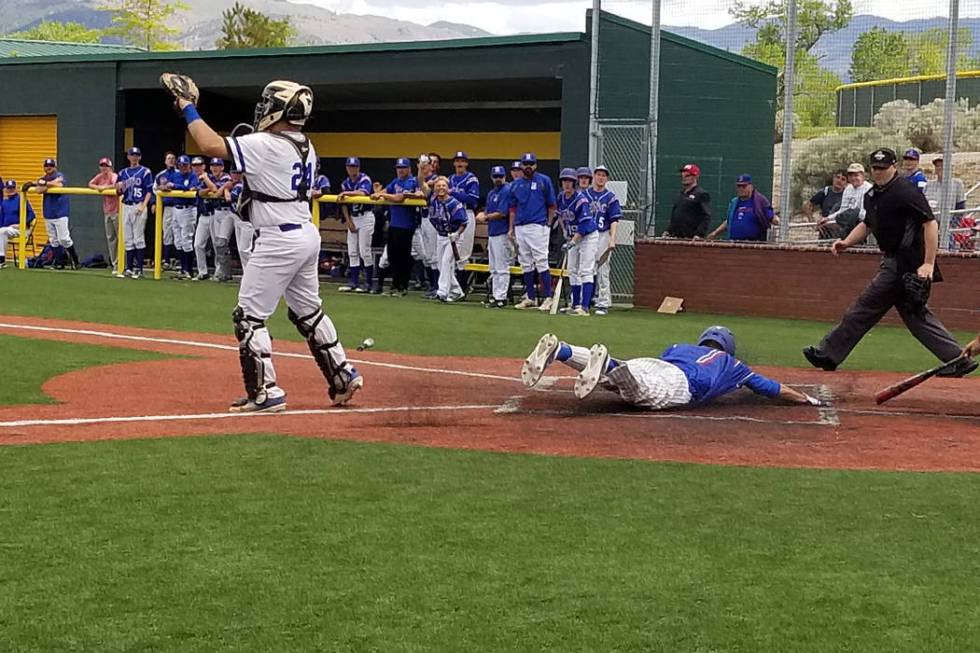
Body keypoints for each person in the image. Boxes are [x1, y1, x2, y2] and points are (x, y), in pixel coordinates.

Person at [172, 78, 362, 411]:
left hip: (278, 238)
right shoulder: (305, 143)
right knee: (308, 311)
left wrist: (188, 107)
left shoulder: (266, 143)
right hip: (304, 233)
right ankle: (342, 374)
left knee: (249, 317)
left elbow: (210, 145)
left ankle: (265, 391)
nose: (262, 109)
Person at [803, 148, 977, 378]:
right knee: (916, 316)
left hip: (906, 263)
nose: (878, 172)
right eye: (875, 168)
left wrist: (928, 263)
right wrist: (846, 242)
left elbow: (930, 224)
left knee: (863, 308)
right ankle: (958, 360)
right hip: (894, 260)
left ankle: (828, 354)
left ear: (893, 167)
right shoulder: (873, 195)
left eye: (883, 168)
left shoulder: (905, 191)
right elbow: (867, 224)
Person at [522, 327, 828, 409]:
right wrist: (806, 398)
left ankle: (563, 350)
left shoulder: (682, 346)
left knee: (624, 379)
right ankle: (608, 363)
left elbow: (662, 361)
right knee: (640, 394)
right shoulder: (734, 364)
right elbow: (772, 389)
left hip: (659, 363)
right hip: (684, 384)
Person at [509, 152, 557, 311]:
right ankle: (530, 297)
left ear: (535, 165)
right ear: (521, 165)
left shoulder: (544, 180)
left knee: (541, 260)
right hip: (520, 226)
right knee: (525, 263)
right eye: (525, 164)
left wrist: (548, 224)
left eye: (531, 164)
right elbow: (513, 208)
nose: (528, 166)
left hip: (538, 225)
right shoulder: (516, 184)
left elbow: (551, 204)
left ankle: (548, 297)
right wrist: (512, 228)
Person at [371, 158, 420, 296]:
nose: (400, 170)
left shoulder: (412, 181)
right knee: (392, 256)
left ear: (409, 169)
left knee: (402, 257)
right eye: (398, 168)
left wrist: (381, 194)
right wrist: (379, 192)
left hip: (406, 225)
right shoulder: (396, 181)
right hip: (394, 224)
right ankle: (394, 285)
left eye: (403, 167)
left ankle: (402, 287)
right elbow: (386, 190)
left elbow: (399, 198)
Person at [555, 167, 599, 316]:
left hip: (588, 236)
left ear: (574, 183)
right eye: (564, 181)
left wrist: (572, 241)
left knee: (585, 270)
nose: (567, 184)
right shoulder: (560, 197)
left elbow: (584, 226)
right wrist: (567, 234)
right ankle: (575, 305)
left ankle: (585, 308)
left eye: (570, 181)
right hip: (573, 236)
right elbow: (561, 217)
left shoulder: (581, 199)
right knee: (572, 270)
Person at [586, 164, 623, 315]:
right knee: (587, 268)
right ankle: (585, 300)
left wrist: (612, 239)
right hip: (587, 236)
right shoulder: (584, 195)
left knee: (602, 268)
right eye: (598, 174)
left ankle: (603, 302)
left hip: (603, 234)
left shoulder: (610, 197)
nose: (601, 178)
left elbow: (614, 220)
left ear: (607, 179)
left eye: (604, 175)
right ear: (594, 176)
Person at [114, 147, 154, 279]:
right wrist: (118, 188)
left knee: (138, 238)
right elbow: (119, 191)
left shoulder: (145, 171)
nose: (134, 157)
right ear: (128, 157)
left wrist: (144, 204)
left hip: (138, 204)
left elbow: (149, 190)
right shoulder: (123, 172)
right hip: (126, 204)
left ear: (140, 157)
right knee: (128, 238)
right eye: (132, 155)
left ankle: (139, 269)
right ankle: (129, 268)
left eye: (137, 155)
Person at [476, 165, 514, 308]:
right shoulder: (492, 193)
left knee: (502, 267)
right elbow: (489, 210)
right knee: (493, 267)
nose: (498, 179)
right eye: (495, 177)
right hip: (493, 233)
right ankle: (495, 295)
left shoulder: (506, 190)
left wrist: (485, 217)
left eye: (500, 177)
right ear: (492, 177)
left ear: (505, 177)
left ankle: (501, 297)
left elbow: (502, 213)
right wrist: (484, 214)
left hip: (502, 232)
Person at [427, 176, 468, 302]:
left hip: (454, 237)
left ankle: (442, 292)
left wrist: (457, 234)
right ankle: (456, 291)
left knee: (446, 262)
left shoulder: (454, 203)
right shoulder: (434, 201)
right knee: (441, 265)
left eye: (443, 186)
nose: (441, 188)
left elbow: (464, 222)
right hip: (441, 235)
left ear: (448, 188)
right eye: (438, 186)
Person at [160, 154, 200, 280]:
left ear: (189, 166)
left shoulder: (192, 175)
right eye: (181, 165)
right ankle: (182, 269)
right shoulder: (176, 174)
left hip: (188, 209)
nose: (183, 167)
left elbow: (191, 188)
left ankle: (188, 270)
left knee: (186, 240)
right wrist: (165, 186)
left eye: (185, 165)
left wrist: (176, 186)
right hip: (176, 208)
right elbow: (164, 183)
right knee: (178, 241)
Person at [336, 156, 373, 292]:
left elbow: (363, 193)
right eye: (350, 167)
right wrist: (348, 221)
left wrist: (346, 193)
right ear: (347, 168)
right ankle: (353, 281)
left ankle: (368, 283)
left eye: (354, 167)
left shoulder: (364, 178)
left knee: (364, 251)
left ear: (358, 167)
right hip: (353, 217)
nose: (352, 169)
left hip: (366, 216)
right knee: (352, 251)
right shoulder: (345, 182)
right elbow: (344, 205)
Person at [35, 158, 79, 269]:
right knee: (53, 240)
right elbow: (38, 190)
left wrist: (45, 184)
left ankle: (76, 261)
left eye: (51, 166)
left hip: (60, 212)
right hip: (48, 212)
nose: (48, 168)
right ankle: (59, 262)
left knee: (64, 238)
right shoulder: (44, 178)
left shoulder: (59, 175)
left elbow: (60, 186)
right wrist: (50, 184)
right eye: (46, 166)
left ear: (54, 167)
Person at [707, 174, 777, 242]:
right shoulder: (734, 203)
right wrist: (715, 233)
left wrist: (779, 222)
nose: (741, 189)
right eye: (739, 186)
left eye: (744, 186)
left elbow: (771, 217)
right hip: (734, 243)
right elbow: (729, 221)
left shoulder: (760, 201)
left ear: (751, 187)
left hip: (753, 245)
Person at [448, 151, 479, 292]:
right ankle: (451, 286)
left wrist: (452, 193)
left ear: (466, 163)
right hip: (452, 215)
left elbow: (472, 199)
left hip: (466, 213)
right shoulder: (450, 179)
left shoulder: (471, 179)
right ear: (454, 163)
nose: (459, 163)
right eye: (457, 160)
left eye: (462, 160)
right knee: (451, 250)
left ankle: (463, 286)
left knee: (464, 253)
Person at [924, 155, 970, 250]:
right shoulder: (929, 185)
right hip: (931, 222)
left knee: (947, 248)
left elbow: (961, 206)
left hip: (948, 224)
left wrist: (953, 225)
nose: (939, 168)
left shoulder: (957, 184)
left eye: (942, 166)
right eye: (937, 166)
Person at [820, 163, 871, 240]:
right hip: (847, 220)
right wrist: (828, 218)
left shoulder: (868, 189)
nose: (853, 178)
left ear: (863, 176)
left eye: (856, 175)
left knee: (854, 213)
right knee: (825, 225)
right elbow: (842, 209)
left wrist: (845, 218)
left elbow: (863, 213)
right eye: (851, 175)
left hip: (862, 223)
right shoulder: (848, 189)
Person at [88, 157, 120, 272]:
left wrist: (103, 188)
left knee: (120, 238)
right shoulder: (100, 177)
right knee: (111, 238)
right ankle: (115, 263)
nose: (104, 168)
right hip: (107, 211)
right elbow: (90, 184)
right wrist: (98, 187)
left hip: (118, 211)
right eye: (102, 166)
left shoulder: (113, 176)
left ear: (110, 167)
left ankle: (124, 263)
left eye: (106, 166)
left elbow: (116, 185)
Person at [190, 156, 219, 280]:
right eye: (195, 166)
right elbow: (193, 190)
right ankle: (203, 271)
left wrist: (203, 189)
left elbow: (214, 189)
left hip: (214, 213)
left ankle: (219, 272)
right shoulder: (193, 178)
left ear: (203, 166)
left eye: (199, 165)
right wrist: (201, 191)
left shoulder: (210, 176)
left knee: (217, 245)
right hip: (203, 214)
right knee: (198, 244)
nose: (197, 168)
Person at [664, 163, 711, 239]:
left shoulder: (701, 194)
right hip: (677, 237)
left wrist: (699, 234)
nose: (684, 178)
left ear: (695, 177)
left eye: (687, 176)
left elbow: (706, 216)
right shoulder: (681, 194)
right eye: (682, 176)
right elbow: (675, 216)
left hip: (691, 237)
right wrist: (668, 231)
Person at [207, 158, 235, 282]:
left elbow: (218, 190)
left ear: (222, 167)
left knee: (222, 243)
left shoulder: (226, 178)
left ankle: (225, 272)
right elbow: (201, 191)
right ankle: (220, 271)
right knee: (216, 244)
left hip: (227, 212)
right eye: (213, 165)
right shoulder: (210, 178)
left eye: (218, 165)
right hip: (216, 212)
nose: (215, 168)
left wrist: (220, 189)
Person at [0, 179, 36, 269]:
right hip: (8, 230)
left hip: (22, 229)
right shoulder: (4, 203)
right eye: (8, 188)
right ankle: (2, 259)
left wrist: (21, 224)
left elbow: (32, 215)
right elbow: (2, 219)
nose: (10, 190)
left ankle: (1, 259)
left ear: (16, 189)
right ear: (6, 189)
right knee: (2, 231)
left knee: (2, 231)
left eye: (12, 188)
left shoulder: (21, 199)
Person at [804, 169, 847, 239]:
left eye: (843, 179)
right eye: (837, 177)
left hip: (841, 232)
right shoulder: (825, 192)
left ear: (846, 183)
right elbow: (808, 206)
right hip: (825, 232)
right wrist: (813, 223)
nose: (839, 181)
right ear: (833, 178)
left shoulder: (847, 194)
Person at [226, 167, 252, 271]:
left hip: (247, 221)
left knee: (244, 250)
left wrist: (226, 188)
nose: (236, 175)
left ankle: (251, 273)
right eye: (234, 173)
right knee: (242, 250)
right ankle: (247, 274)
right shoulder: (237, 185)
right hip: (238, 219)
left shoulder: (241, 186)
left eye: (238, 173)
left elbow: (228, 198)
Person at [155, 152, 178, 269]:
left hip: (180, 206)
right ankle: (167, 260)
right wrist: (153, 203)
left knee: (179, 233)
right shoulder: (161, 175)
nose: (171, 160)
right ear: (165, 161)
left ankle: (178, 260)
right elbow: (154, 189)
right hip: (168, 207)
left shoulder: (180, 173)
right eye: (169, 158)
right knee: (167, 233)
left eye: (173, 158)